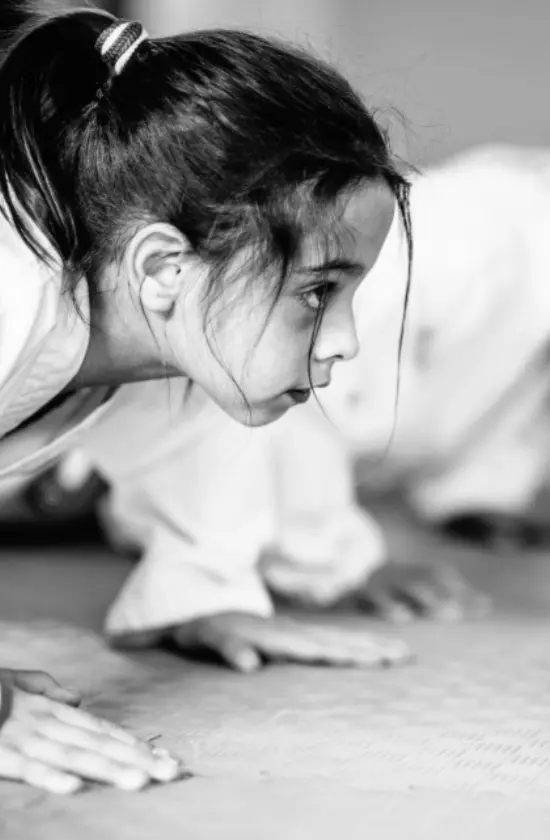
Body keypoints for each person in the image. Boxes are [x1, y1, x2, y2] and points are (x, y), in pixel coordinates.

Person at [0, 1, 412, 795]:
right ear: (163, 268)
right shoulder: (11, 295)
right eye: (319, 291)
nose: (345, 342)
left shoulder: (156, 314)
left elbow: (185, 435)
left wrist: (201, 592)